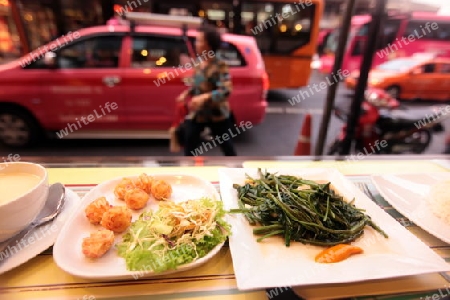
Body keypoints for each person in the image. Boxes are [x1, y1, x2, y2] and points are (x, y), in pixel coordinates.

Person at [176, 24, 237, 156]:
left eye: (199, 40)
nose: (196, 43)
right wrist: (186, 94)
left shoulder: (220, 65)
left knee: (228, 149)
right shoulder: (199, 63)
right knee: (190, 145)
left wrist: (204, 97)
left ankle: (237, 172)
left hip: (217, 113)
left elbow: (225, 90)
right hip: (199, 113)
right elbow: (197, 85)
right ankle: (190, 173)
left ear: (209, 44)